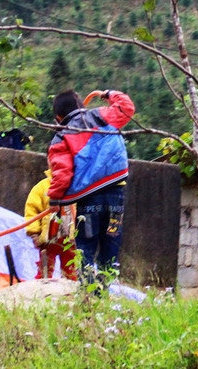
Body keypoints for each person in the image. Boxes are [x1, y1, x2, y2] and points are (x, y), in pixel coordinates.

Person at [47, 89, 135, 284]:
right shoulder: (102, 114)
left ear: (58, 117)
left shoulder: (61, 136)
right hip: (116, 195)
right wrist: (110, 94)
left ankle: (88, 293)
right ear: (82, 105)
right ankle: (103, 293)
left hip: (89, 200)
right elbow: (127, 107)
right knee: (111, 243)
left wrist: (55, 199)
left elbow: (62, 172)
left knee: (85, 246)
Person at [24, 169, 77, 280]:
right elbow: (32, 211)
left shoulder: (77, 186)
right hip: (49, 239)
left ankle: (71, 296)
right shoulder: (42, 187)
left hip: (70, 240)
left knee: (70, 274)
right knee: (44, 272)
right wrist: (34, 233)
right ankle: (40, 294)